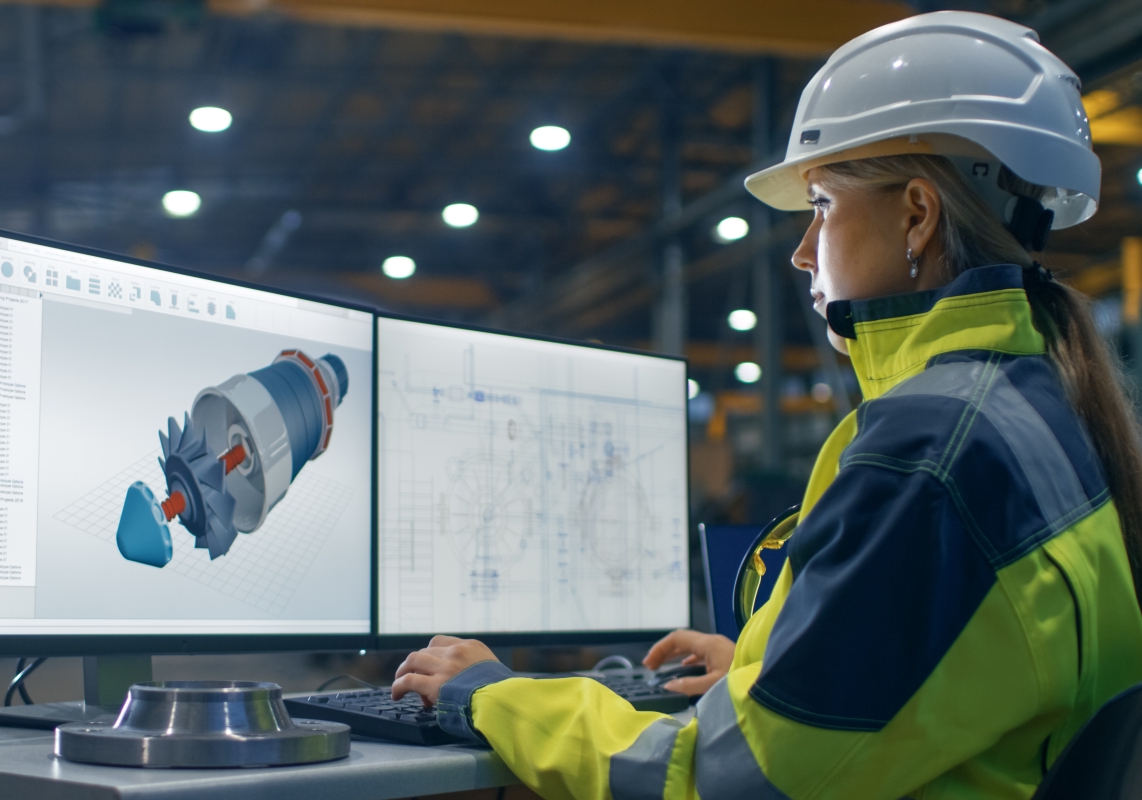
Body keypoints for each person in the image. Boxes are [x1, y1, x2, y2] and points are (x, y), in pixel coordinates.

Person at [391, 11, 1142, 799]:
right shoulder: (1039, 406)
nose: (802, 250)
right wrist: (770, 670)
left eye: (820, 204)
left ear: (917, 214)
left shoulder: (931, 453)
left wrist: (496, 695)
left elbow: (722, 783)